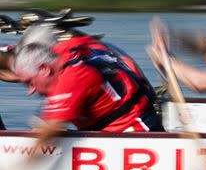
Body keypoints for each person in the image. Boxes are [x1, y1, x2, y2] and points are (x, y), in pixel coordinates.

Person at [13, 28, 162, 146]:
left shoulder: (72, 78)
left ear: (45, 68)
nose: (30, 90)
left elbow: (47, 133)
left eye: (30, 83)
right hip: (119, 115)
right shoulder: (69, 46)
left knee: (45, 128)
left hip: (133, 129)